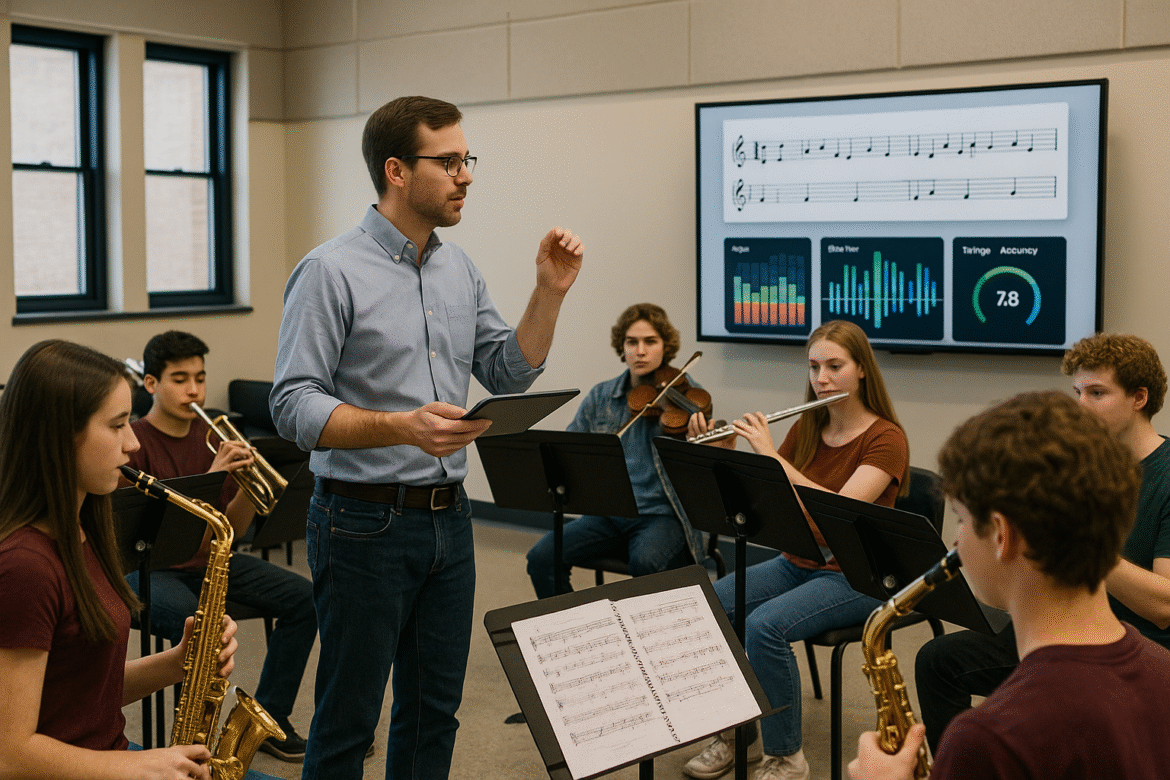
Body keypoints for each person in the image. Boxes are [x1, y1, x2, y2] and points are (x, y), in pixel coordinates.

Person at [269, 95, 583, 780]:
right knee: (349, 721)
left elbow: (508, 369)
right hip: (360, 520)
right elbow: (292, 406)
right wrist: (399, 425)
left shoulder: (457, 268)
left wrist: (549, 293)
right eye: (448, 161)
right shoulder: (329, 271)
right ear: (397, 171)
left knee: (433, 713)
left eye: (467, 159)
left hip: (449, 521)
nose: (466, 174)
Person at [849, 391, 1170, 780]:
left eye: (961, 520)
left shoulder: (987, 740)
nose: (956, 542)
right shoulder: (1162, 670)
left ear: (1001, 534)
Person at [913, 332, 1170, 752]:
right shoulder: (1078, 462)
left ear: (1139, 398)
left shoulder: (1166, 474)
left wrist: (1082, 540)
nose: (1081, 406)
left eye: (1097, 393)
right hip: (1055, 621)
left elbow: (1164, 606)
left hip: (1134, 643)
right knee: (938, 659)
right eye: (1077, 392)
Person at [0, 340, 239, 780]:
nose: (132, 443)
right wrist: (133, 764)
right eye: (116, 425)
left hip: (108, 754)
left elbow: (80, 697)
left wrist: (179, 660)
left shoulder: (85, 530)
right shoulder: (25, 567)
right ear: (59, 437)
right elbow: (10, 755)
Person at [684, 320, 909, 780]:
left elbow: (838, 516)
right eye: (813, 367)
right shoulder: (809, 425)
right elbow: (770, 497)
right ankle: (737, 734)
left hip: (860, 574)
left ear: (862, 369)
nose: (821, 378)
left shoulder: (886, 439)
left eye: (834, 366)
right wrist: (721, 452)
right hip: (800, 562)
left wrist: (774, 457)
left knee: (765, 625)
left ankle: (785, 756)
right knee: (710, 606)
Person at [124, 330, 317, 763]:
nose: (193, 389)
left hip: (211, 562)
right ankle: (188, 742)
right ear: (151, 384)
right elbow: (159, 539)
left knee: (307, 599)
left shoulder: (211, 433)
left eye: (200, 377)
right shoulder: (133, 442)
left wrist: (248, 488)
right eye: (179, 378)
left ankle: (271, 717)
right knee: (202, 629)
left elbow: (228, 531)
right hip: (152, 570)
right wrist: (213, 478)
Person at [525, 303, 706, 598]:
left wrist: (702, 438)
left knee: (645, 562)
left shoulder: (685, 396)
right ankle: (576, 631)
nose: (640, 351)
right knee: (541, 558)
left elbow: (702, 474)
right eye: (632, 342)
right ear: (622, 347)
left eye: (650, 342)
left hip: (663, 515)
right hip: (610, 514)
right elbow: (570, 449)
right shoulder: (602, 396)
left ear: (665, 347)